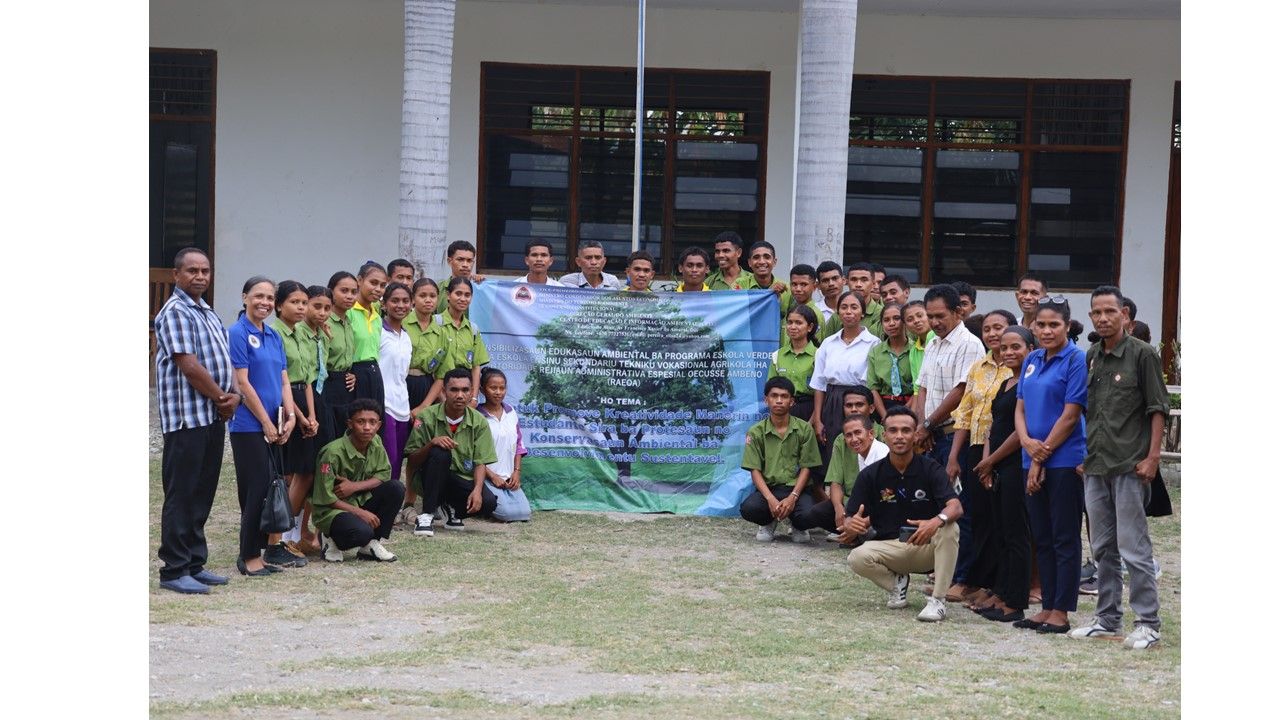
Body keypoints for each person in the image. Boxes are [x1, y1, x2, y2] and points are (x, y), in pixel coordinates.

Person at [1068, 286, 1168, 650]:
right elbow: (1090, 412)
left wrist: (1152, 457)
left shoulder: (1142, 355)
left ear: (1125, 314)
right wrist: (1085, 455)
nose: (1103, 318)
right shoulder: (1092, 354)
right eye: (1097, 312)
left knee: (1133, 546)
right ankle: (1107, 618)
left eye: (1110, 311)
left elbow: (1157, 408)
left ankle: (1148, 623)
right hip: (1096, 465)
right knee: (1102, 546)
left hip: (1130, 464)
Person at [154, 248, 238, 593]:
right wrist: (222, 398)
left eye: (205, 270)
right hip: (187, 418)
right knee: (182, 494)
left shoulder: (206, 311)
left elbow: (223, 358)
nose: (200, 276)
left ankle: (194, 563)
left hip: (212, 417)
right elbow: (189, 365)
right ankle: (174, 570)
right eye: (192, 271)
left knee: (203, 493)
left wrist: (235, 395)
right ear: (177, 275)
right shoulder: (175, 311)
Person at [839, 406, 964, 622]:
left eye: (906, 431)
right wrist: (851, 524)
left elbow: (956, 507)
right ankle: (897, 584)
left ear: (915, 435)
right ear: (883, 435)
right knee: (857, 557)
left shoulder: (931, 468)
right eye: (893, 430)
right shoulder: (870, 474)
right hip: (891, 548)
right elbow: (850, 518)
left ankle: (938, 601)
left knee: (950, 527)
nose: (899, 436)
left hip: (925, 546)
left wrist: (935, 522)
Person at [1012, 295, 1088, 634]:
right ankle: (1046, 606)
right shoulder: (1031, 359)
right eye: (1040, 324)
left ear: (1067, 326)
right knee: (1040, 534)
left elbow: (1071, 415)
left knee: (1064, 536)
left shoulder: (1076, 359)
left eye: (1053, 324)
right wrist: (1027, 443)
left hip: (1065, 459)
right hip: (1032, 457)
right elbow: (1021, 407)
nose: (1046, 330)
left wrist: (1041, 455)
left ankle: (1062, 609)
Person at [912, 284, 985, 601]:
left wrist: (927, 425)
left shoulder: (969, 344)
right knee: (941, 504)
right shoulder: (933, 343)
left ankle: (963, 578)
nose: (934, 322)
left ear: (959, 312)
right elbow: (923, 389)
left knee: (961, 507)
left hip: (957, 435)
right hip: (932, 435)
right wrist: (920, 426)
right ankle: (946, 570)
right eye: (930, 316)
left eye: (940, 315)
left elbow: (960, 392)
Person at [228, 276, 300, 575]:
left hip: (277, 424)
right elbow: (242, 382)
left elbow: (284, 380)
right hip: (249, 426)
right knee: (255, 490)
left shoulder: (273, 336)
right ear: (245, 297)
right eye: (259, 296)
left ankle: (260, 550)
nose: (265, 303)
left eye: (270, 298)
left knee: (272, 487)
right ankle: (248, 557)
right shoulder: (237, 332)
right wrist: (265, 422)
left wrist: (291, 417)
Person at [946, 308, 1016, 610]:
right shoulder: (978, 367)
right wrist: (954, 456)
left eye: (999, 328)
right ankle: (979, 581)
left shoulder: (1018, 368)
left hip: (1006, 449)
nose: (992, 334)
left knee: (1003, 520)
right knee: (979, 517)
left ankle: (998, 585)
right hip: (975, 448)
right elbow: (964, 414)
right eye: (987, 329)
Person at [970, 326, 1036, 622]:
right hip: (995, 465)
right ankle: (1001, 590)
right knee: (1000, 531)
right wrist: (986, 462)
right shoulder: (1006, 382)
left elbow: (1023, 432)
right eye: (1004, 348)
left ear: (1030, 348)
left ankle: (1016, 600)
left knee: (1016, 534)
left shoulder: (1032, 383)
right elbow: (992, 427)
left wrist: (992, 461)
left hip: (1015, 463)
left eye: (1016, 347)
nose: (1009, 353)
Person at [404, 368, 499, 534]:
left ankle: (450, 508)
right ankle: (426, 515)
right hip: (429, 479)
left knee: (489, 503)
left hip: (459, 479)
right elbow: (412, 460)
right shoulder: (426, 417)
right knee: (439, 452)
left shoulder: (479, 422)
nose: (460, 395)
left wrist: (477, 490)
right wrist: (431, 444)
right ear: (444, 391)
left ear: (471, 393)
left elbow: (480, 462)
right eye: (454, 389)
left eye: (465, 390)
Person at [311, 399, 401, 563]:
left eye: (372, 422)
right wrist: (361, 513)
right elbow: (325, 498)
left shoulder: (376, 442)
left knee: (396, 488)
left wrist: (354, 486)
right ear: (350, 424)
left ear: (379, 425)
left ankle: (371, 545)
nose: (367, 427)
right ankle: (329, 538)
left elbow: (384, 474)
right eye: (361, 422)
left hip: (359, 499)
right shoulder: (332, 453)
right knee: (362, 532)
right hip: (332, 511)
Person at [269, 280, 321, 562]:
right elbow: (282, 380)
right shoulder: (275, 333)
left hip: (305, 401)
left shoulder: (301, 332)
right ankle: (280, 536)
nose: (301, 307)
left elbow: (309, 378)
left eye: (304, 302)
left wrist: (312, 415)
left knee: (305, 472)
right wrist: (299, 416)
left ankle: (292, 535)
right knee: (297, 472)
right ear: (279, 305)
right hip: (287, 404)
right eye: (294, 302)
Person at [739, 377, 823, 542]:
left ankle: (798, 524)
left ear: (791, 402)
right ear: (766, 400)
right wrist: (770, 499)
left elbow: (807, 467)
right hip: (769, 489)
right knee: (749, 508)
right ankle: (768, 521)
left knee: (811, 514)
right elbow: (754, 470)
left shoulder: (804, 429)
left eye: (784, 396)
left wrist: (793, 497)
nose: (779, 400)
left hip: (798, 490)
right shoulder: (755, 432)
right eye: (774, 396)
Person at [789, 413, 889, 538]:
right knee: (822, 512)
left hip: (885, 510)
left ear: (871, 434)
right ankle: (853, 535)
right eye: (848, 435)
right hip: (864, 507)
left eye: (858, 433)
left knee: (869, 533)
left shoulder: (882, 455)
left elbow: (888, 500)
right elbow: (839, 485)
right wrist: (841, 511)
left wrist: (864, 521)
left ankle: (857, 536)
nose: (854, 439)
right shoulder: (860, 454)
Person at [810, 291, 880, 454]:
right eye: (844, 307)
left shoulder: (874, 343)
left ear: (862, 312)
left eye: (854, 307)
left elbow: (873, 384)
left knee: (859, 447)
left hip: (860, 401)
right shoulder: (828, 343)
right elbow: (819, 385)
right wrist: (818, 420)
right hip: (832, 402)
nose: (849, 312)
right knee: (831, 451)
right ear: (838, 312)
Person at [477, 368, 532, 522]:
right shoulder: (477, 416)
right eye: (493, 388)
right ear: (482, 389)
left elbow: (518, 445)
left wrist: (516, 472)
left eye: (502, 388)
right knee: (507, 514)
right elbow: (472, 454)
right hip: (486, 477)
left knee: (524, 513)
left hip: (508, 477)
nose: (498, 392)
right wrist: (493, 476)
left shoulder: (511, 412)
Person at [377, 282, 414, 487]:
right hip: (384, 404)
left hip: (402, 405)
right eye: (395, 300)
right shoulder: (377, 331)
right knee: (387, 460)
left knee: (399, 460)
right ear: (384, 304)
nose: (400, 305)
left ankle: (393, 508)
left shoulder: (407, 337)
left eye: (405, 301)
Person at [436, 277, 490, 407]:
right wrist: (442, 398)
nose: (463, 298)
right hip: (439, 393)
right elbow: (431, 367)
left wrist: (474, 398)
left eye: (467, 295)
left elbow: (476, 366)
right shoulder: (435, 323)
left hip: (464, 397)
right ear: (448, 295)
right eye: (458, 294)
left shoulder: (473, 329)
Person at [768, 305, 820, 421]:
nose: (793, 327)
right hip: (783, 410)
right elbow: (771, 388)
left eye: (798, 323)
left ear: (810, 327)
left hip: (809, 410)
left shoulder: (818, 355)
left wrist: (813, 421)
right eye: (790, 322)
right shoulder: (778, 355)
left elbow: (821, 392)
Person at [323, 271, 359, 439]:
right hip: (326, 385)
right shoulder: (324, 322)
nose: (349, 296)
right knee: (328, 436)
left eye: (353, 292)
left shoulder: (348, 322)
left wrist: (351, 374)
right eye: (344, 291)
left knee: (344, 436)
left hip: (345, 386)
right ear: (331, 292)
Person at [349, 261, 388, 412]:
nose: (378, 289)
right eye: (373, 283)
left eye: (383, 285)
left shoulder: (377, 317)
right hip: (354, 376)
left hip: (374, 374)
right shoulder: (348, 312)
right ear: (359, 280)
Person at [865, 302, 913, 418]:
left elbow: (920, 386)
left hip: (911, 405)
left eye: (897, 318)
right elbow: (873, 388)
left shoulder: (916, 350)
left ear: (905, 321)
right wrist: (885, 416)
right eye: (886, 320)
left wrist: (906, 411)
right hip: (883, 405)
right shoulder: (876, 352)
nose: (891, 323)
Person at [779, 264, 822, 344]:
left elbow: (816, 347)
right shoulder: (790, 310)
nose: (798, 289)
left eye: (803, 284)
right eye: (794, 284)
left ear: (814, 286)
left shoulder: (816, 314)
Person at [842, 262, 883, 338]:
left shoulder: (881, 314)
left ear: (873, 284)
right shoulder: (839, 313)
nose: (858, 284)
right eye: (853, 279)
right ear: (847, 282)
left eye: (864, 280)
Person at [903, 299, 933, 384]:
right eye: (910, 319)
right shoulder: (914, 352)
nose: (916, 321)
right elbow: (917, 386)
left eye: (920, 316)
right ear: (905, 326)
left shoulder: (940, 338)